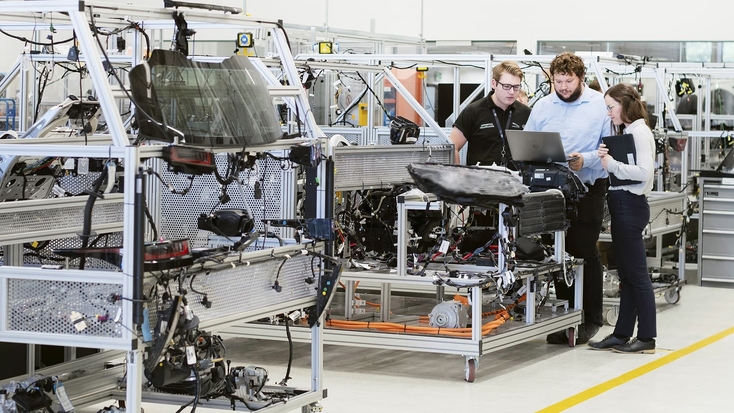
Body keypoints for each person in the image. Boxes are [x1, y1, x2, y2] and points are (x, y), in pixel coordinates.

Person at [524, 52, 611, 345]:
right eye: (558, 81)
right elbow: (528, 142)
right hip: (552, 192)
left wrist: (584, 160)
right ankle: (566, 318)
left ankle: (590, 319)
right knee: (559, 254)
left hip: (588, 188)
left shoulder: (599, 105)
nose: (563, 87)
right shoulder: (543, 106)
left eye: (568, 81)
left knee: (583, 250)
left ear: (580, 78)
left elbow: (608, 148)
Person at [588, 83, 657, 354]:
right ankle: (621, 334)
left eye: (610, 107)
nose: (608, 113)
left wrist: (611, 165)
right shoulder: (628, 132)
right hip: (621, 203)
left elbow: (644, 173)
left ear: (624, 103)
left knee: (638, 276)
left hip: (630, 205)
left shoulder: (640, 132)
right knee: (628, 276)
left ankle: (647, 338)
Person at [449, 61, 531, 168]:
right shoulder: (473, 111)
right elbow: (453, 146)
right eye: (506, 86)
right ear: (494, 84)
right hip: (480, 180)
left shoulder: (526, 113)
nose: (511, 92)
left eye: (516, 87)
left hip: (516, 179)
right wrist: (457, 176)